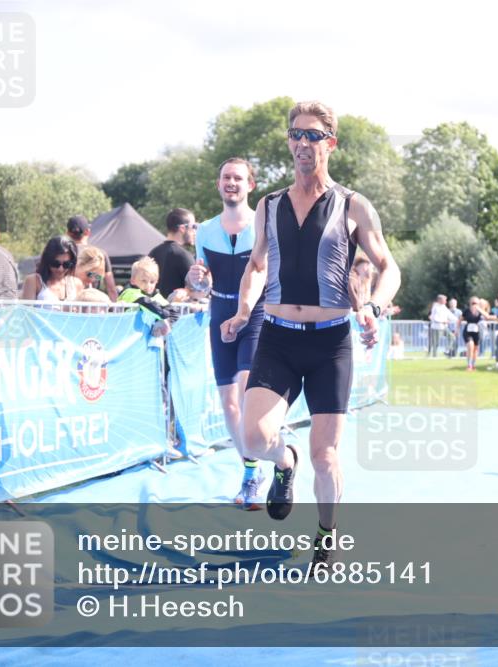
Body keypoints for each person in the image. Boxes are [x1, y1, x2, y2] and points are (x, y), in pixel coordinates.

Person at [219, 101, 400, 569]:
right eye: (296, 135)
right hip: (278, 337)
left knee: (327, 456)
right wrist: (243, 310)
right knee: (253, 438)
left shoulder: (352, 205)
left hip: (329, 344)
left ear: (330, 144)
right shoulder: (269, 205)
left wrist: (375, 307)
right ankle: (284, 462)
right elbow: (258, 264)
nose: (303, 143)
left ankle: (326, 533)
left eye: (314, 136)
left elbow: (388, 267)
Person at [187, 157, 267, 508]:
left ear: (251, 185)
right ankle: (250, 472)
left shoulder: (264, 225)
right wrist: (197, 281)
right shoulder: (203, 230)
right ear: (218, 185)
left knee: (247, 389)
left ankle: (260, 462)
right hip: (219, 310)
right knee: (228, 403)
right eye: (225, 178)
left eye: (238, 177)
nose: (231, 182)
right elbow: (202, 284)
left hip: (257, 313)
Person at [67, 215, 119, 301]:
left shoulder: (63, 254)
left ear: (68, 233)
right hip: (93, 304)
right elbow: (111, 288)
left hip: (70, 303)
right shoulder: (100, 254)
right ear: (87, 232)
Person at [149, 208, 197, 299]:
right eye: (193, 226)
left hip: (154, 311)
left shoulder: (153, 253)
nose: (195, 231)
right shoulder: (183, 256)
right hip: (177, 312)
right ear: (182, 228)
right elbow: (197, 289)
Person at [21, 236, 82, 301]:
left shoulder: (76, 284)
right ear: (47, 260)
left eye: (66, 264)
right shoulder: (34, 281)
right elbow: (27, 310)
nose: (60, 269)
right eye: (55, 264)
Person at [461, 296, 495, 371]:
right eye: (473, 303)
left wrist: (479, 309)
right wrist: (457, 330)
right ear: (470, 303)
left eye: (476, 303)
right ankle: (469, 365)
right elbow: (460, 319)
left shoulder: (480, 311)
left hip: (477, 332)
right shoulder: (467, 311)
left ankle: (473, 365)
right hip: (468, 331)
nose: (474, 305)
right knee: (470, 346)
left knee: (475, 349)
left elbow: (487, 316)